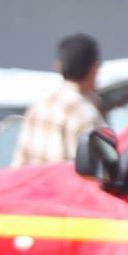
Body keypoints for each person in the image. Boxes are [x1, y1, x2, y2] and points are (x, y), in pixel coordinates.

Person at [12, 33, 103, 167]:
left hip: (35, 187)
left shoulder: (38, 108)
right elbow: (94, 171)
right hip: (66, 188)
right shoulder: (86, 115)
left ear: (58, 66)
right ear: (94, 69)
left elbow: (18, 165)